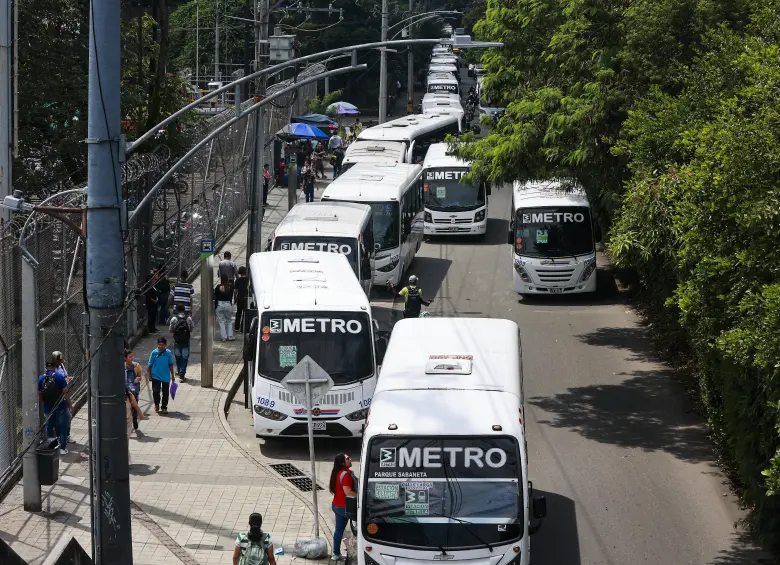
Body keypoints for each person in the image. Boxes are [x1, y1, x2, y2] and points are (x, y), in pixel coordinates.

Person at [38, 360, 72, 455]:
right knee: (62, 427)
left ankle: (52, 447)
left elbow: (40, 394)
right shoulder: (59, 377)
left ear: (46, 367)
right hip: (60, 406)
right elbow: (65, 392)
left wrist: (44, 402)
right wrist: (69, 404)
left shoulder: (41, 378)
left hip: (48, 407)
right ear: (54, 367)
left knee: (49, 427)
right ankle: (62, 448)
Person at [329, 453, 356, 561]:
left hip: (336, 505)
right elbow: (348, 492)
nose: (350, 459)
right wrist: (363, 497)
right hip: (345, 508)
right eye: (347, 459)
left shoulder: (337, 473)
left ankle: (336, 554)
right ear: (342, 463)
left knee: (339, 530)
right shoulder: (346, 475)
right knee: (364, 525)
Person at [147, 337, 175, 414]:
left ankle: (164, 407)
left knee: (165, 392)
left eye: (162, 345)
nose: (160, 346)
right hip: (155, 375)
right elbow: (150, 365)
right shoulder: (154, 352)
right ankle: (156, 403)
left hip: (166, 376)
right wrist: (149, 375)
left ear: (165, 345)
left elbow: (171, 365)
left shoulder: (168, 353)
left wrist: (172, 376)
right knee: (156, 391)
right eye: (159, 344)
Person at [169, 304, 194, 380]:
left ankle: (179, 371)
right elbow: (191, 329)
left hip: (177, 342)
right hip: (186, 342)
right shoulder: (188, 318)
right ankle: (182, 374)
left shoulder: (174, 319)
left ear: (176, 310)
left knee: (178, 357)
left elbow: (171, 330)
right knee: (185, 358)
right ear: (184, 310)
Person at [124, 349, 144, 431]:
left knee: (134, 407)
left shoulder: (137, 366)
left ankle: (134, 420)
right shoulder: (122, 367)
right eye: (130, 357)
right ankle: (129, 424)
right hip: (126, 391)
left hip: (135, 390)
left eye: (132, 356)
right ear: (125, 358)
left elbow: (140, 377)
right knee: (128, 408)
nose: (132, 358)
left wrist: (137, 379)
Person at [215, 275, 235, 341]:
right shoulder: (230, 287)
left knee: (221, 322)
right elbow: (231, 296)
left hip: (220, 304)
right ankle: (230, 336)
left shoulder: (218, 287)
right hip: (227, 304)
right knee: (229, 321)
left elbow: (215, 296)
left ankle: (224, 337)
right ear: (227, 280)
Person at [233, 266, 250, 333]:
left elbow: (235, 291)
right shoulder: (248, 280)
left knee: (238, 313)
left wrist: (235, 298)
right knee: (245, 313)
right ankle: (242, 328)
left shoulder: (237, 280)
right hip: (246, 298)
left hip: (239, 298)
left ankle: (236, 327)